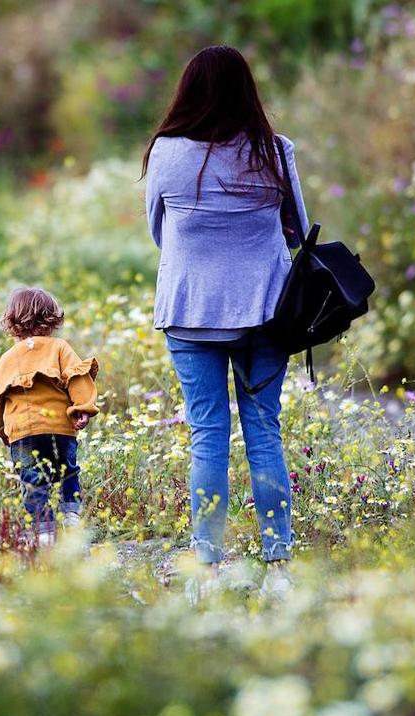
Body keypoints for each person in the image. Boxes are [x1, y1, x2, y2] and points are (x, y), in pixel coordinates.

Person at [142, 45, 310, 599]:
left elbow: (159, 232)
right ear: (247, 90)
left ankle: (205, 573)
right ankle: (279, 567)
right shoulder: (276, 152)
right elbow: (299, 233)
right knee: (265, 432)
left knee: (207, 438)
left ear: (188, 91)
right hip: (266, 313)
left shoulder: (166, 153)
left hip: (190, 312)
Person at [0, 287, 99, 546]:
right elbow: (78, 378)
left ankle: (43, 532)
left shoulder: (8, 358)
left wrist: (1, 431)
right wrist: (82, 408)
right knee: (67, 470)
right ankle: (71, 516)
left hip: (23, 430)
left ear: (12, 323)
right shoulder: (60, 348)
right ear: (52, 319)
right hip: (60, 427)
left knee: (32, 479)